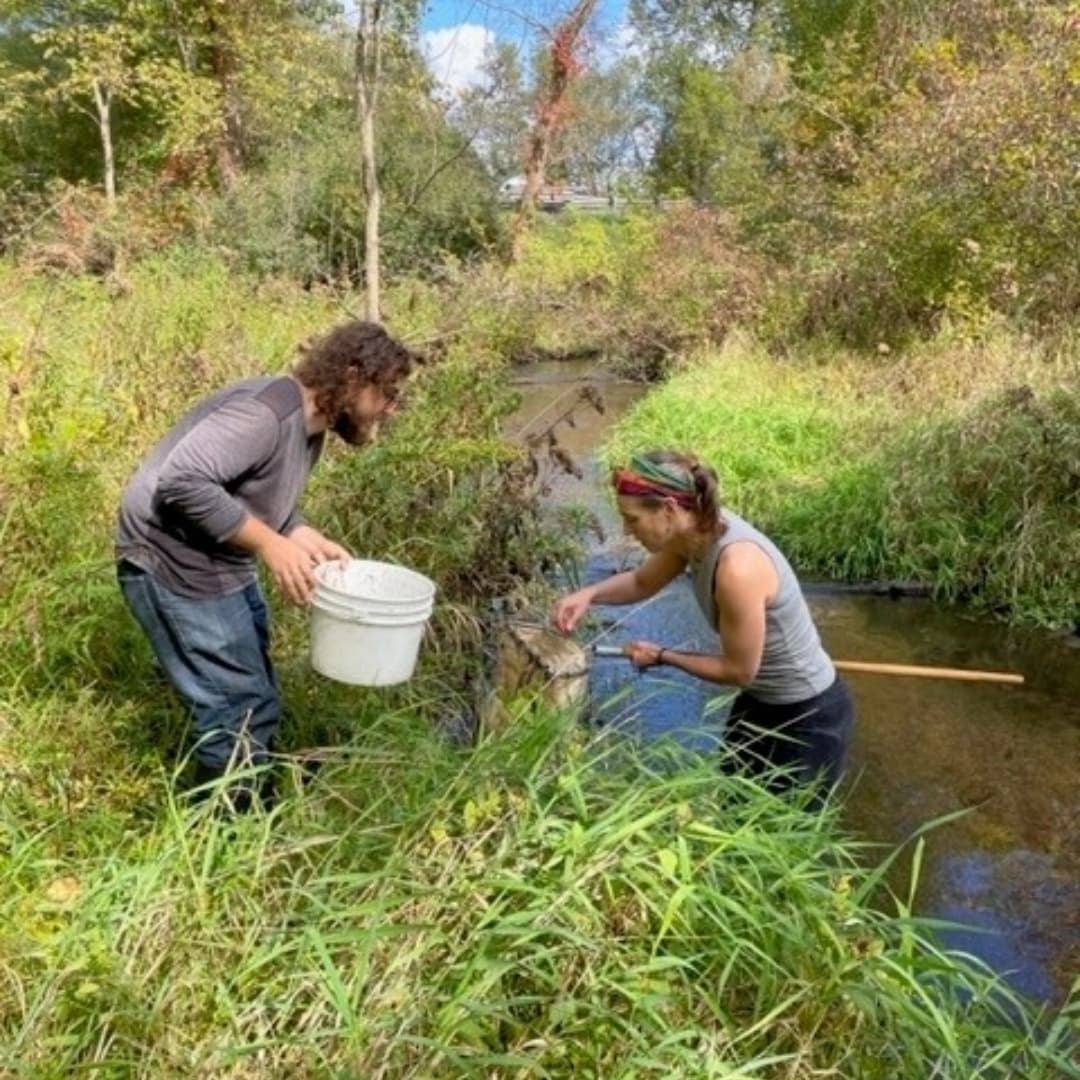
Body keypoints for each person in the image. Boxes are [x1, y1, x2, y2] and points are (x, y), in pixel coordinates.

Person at [116, 320, 421, 808]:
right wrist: (271, 546)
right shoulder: (263, 415)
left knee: (255, 698)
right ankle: (218, 836)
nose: (390, 407)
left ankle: (254, 806)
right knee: (234, 713)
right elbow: (183, 483)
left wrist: (298, 531)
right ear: (352, 376)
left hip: (215, 559)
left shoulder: (313, 425)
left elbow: (251, 489)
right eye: (386, 392)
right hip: (168, 560)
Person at [552, 449, 854, 800]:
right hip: (759, 703)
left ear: (668, 508)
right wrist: (587, 595)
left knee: (784, 838)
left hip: (808, 718)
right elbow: (641, 583)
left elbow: (739, 671)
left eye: (632, 519)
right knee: (731, 819)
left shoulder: (737, 568)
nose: (626, 530)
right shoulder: (689, 533)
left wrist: (662, 655)